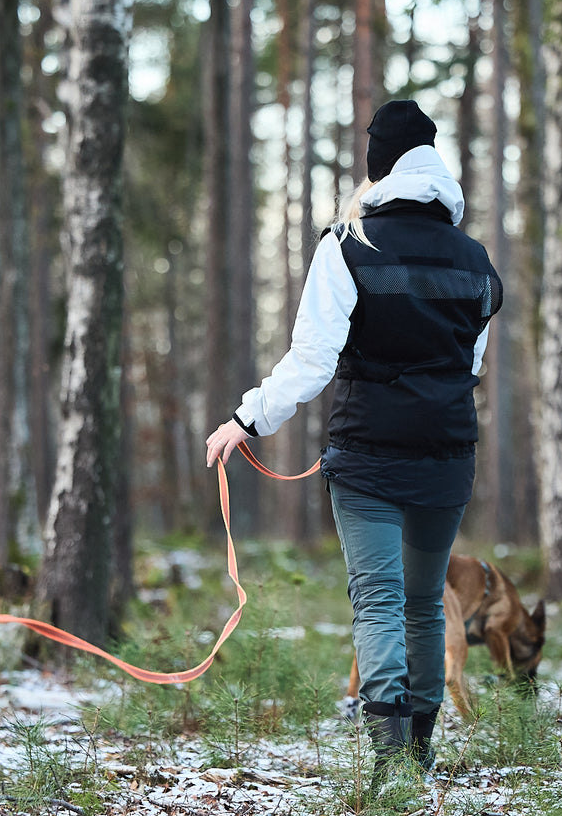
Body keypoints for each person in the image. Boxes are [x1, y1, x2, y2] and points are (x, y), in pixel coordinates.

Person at [205, 99, 503, 779]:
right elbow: (471, 365)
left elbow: (311, 361)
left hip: (368, 455)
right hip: (447, 456)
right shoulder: (475, 259)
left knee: (377, 598)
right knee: (423, 601)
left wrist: (244, 421)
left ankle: (389, 759)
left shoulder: (348, 244)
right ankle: (421, 747)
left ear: (378, 167)